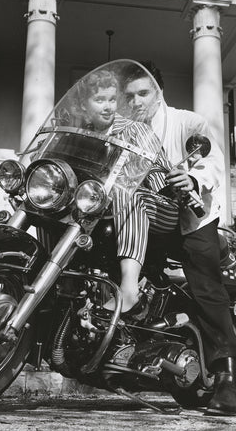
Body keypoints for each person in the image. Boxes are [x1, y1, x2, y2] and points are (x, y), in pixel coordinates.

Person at [121, 61, 236, 417]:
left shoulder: (187, 123)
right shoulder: (127, 130)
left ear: (159, 94)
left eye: (143, 93)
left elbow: (213, 160)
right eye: (130, 96)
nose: (137, 101)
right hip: (149, 215)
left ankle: (227, 378)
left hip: (192, 215)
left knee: (205, 284)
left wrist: (193, 179)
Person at [76, 69, 179, 317]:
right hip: (103, 210)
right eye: (100, 100)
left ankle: (129, 288)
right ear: (84, 104)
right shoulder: (80, 134)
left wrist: (138, 178)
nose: (108, 106)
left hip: (157, 206)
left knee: (126, 189)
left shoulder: (135, 130)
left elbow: (159, 174)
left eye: (112, 99)